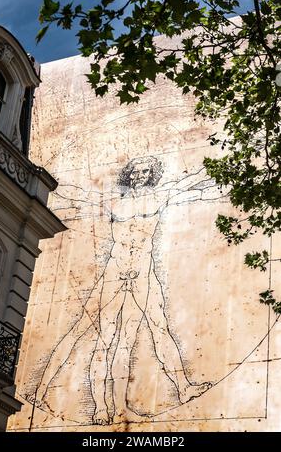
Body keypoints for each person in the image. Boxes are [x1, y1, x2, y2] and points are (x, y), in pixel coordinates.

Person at [32, 157, 220, 425]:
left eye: (146, 171)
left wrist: (214, 171)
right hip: (114, 271)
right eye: (136, 171)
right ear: (129, 175)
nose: (140, 175)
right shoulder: (113, 201)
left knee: (159, 329)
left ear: (152, 175)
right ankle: (70, 398)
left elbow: (189, 183)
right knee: (93, 336)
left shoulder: (162, 195)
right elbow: (79, 196)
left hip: (143, 270)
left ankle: (184, 386)